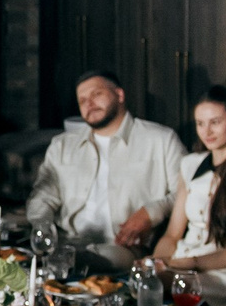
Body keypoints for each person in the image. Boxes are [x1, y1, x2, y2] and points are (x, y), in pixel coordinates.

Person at [25, 71, 184, 268]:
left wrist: (150, 212)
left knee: (89, 260)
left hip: (123, 247)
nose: (89, 104)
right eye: (82, 100)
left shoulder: (160, 140)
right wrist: (42, 229)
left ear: (119, 95)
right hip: (67, 242)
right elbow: (42, 197)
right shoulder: (62, 145)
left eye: (96, 94)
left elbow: (188, 194)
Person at [152, 85, 226, 306]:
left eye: (215, 122)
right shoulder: (190, 165)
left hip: (220, 272)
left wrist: (181, 265)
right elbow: (172, 234)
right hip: (179, 261)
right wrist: (155, 263)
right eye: (200, 123)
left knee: (164, 286)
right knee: (143, 281)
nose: (206, 131)